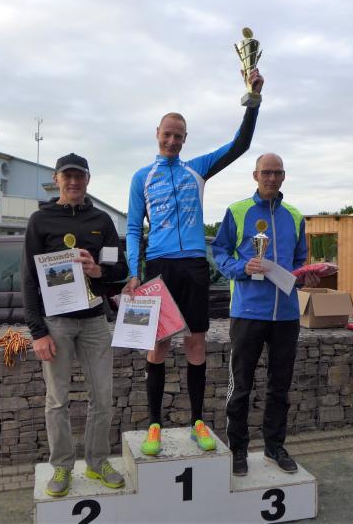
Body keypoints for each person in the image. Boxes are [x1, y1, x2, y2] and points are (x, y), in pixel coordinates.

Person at [123, 69, 264, 456]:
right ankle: (154, 425)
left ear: (185, 139)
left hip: (194, 266)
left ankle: (197, 422)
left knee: (196, 343)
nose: (172, 141)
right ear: (157, 133)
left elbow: (239, 145)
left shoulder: (197, 168)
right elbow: (133, 228)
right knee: (158, 345)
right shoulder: (141, 177)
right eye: (167, 134)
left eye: (179, 136)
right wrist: (134, 272)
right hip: (160, 267)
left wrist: (252, 101)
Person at [21, 153, 129, 497]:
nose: (73, 182)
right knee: (57, 400)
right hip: (56, 324)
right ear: (56, 179)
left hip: (94, 322)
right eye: (66, 176)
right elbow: (29, 279)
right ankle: (62, 467)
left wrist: (99, 270)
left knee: (103, 398)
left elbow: (120, 268)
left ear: (87, 180)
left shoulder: (102, 221)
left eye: (79, 176)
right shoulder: (40, 220)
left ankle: (97, 462)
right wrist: (38, 332)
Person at [211, 153, 320, 475]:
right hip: (248, 311)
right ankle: (238, 450)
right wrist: (241, 268)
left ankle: (274, 447)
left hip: (286, 314)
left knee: (279, 387)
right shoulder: (237, 210)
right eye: (266, 172)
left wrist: (306, 276)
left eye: (277, 173)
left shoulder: (295, 216)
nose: (272, 178)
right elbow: (219, 252)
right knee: (241, 386)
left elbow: (299, 261)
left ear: (284, 176)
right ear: (255, 175)